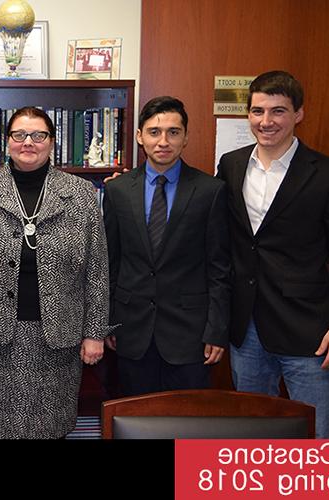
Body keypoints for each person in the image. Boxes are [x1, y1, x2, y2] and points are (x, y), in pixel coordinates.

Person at [216, 70, 329, 438]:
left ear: (298, 113)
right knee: (253, 435)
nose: (266, 122)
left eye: (278, 111)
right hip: (246, 330)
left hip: (312, 334)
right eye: (257, 111)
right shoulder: (231, 165)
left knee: (317, 438)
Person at [0, 106, 109, 439]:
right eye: (19, 134)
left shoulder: (79, 194)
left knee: (50, 425)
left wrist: (94, 333)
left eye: (39, 135)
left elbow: (97, 270)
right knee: (0, 425)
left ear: (52, 142)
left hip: (58, 338)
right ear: (7, 141)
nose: (28, 143)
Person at [102, 96, 230, 397]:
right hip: (131, 332)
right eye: (154, 131)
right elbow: (110, 263)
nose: (163, 141)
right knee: (133, 422)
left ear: (185, 137)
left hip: (190, 336)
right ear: (139, 136)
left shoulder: (210, 191)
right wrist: (108, 322)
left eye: (173, 132)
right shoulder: (117, 190)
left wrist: (217, 331)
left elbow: (220, 269)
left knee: (186, 426)